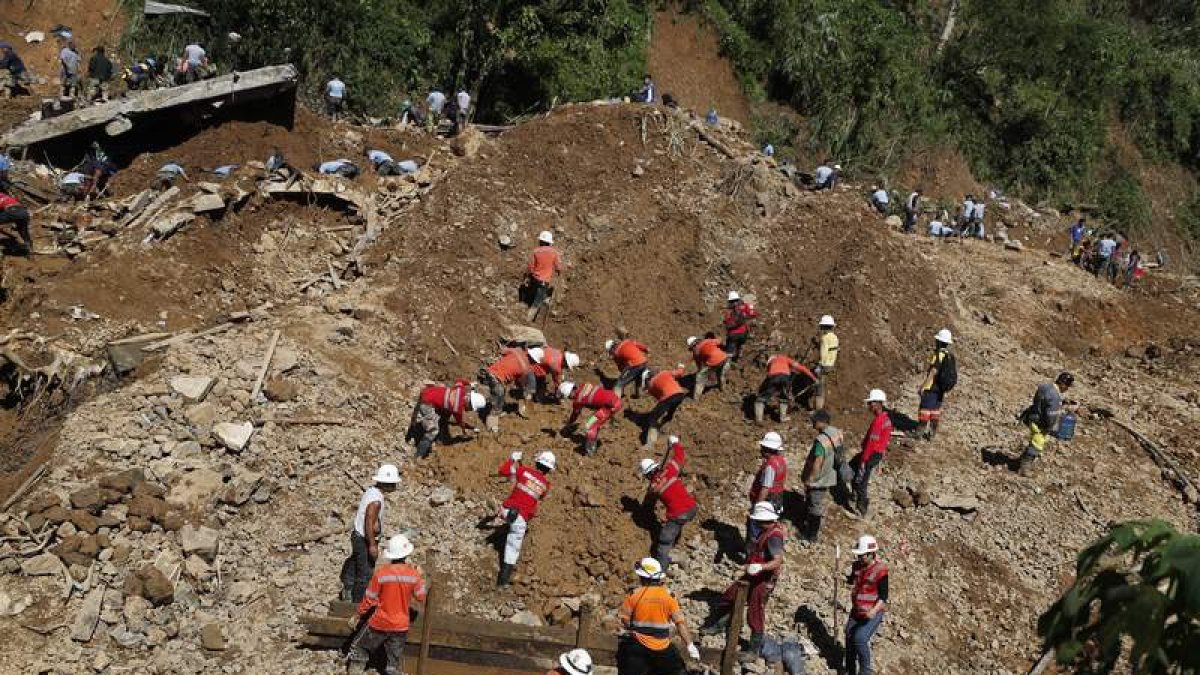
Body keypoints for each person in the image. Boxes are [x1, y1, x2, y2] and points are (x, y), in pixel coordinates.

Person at [701, 501, 785, 656]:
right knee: (730, 596)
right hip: (754, 574)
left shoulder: (774, 536)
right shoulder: (765, 531)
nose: (757, 523)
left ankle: (753, 650)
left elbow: (777, 561)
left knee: (755, 612)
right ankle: (719, 625)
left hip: (764, 579)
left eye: (759, 521)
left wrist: (761, 567)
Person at [347, 534, 425, 675]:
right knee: (393, 664)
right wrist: (420, 576)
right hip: (400, 626)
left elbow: (369, 599)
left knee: (359, 648)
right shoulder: (414, 575)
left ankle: (355, 671)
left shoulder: (381, 574)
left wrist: (358, 614)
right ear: (406, 554)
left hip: (380, 622)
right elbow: (420, 596)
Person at [618, 558, 699, 674]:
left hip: (638, 648)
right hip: (662, 648)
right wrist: (690, 645)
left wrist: (634, 629)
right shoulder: (669, 596)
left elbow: (624, 619)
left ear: (642, 576)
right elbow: (680, 623)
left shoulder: (634, 595)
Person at [340, 464, 400, 602]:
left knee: (357, 563)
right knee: (365, 573)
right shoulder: (376, 501)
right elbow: (369, 521)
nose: (395, 486)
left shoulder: (372, 492)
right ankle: (357, 603)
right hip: (364, 539)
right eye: (393, 484)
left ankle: (348, 589)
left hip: (359, 536)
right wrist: (372, 544)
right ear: (386, 484)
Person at [494, 450, 555, 586]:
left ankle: (498, 515)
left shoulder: (523, 470)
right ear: (549, 469)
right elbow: (537, 491)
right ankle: (502, 582)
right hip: (521, 518)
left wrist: (512, 459)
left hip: (507, 510)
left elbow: (504, 472)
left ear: (537, 461)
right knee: (512, 549)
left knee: (506, 517)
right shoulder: (546, 485)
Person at [639, 436, 697, 568]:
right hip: (692, 508)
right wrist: (675, 443)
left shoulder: (654, 487)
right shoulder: (670, 470)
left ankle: (661, 570)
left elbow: (651, 497)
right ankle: (675, 549)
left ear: (647, 475)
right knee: (675, 526)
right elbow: (680, 456)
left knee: (663, 541)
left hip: (678, 514)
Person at [408, 379, 486, 458]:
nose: (469, 410)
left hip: (428, 391)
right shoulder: (457, 408)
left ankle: (438, 422)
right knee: (433, 431)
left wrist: (469, 383)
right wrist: (465, 431)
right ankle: (419, 455)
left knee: (447, 410)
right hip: (426, 403)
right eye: (470, 408)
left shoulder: (460, 389)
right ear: (469, 403)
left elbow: (459, 380)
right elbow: (460, 422)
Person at [844, 535, 888, 675]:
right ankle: (850, 671)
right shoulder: (856, 566)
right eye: (859, 555)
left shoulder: (881, 571)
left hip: (872, 612)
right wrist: (841, 578)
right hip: (857, 610)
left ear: (871, 554)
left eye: (863, 555)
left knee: (860, 638)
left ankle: (865, 671)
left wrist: (874, 611)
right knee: (849, 636)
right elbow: (851, 580)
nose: (860, 558)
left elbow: (883, 596)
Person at [800, 410, 844, 543]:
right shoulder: (836, 432)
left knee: (815, 505)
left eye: (814, 420)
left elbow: (818, 461)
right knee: (815, 503)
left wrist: (811, 479)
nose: (812, 422)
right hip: (830, 473)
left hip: (820, 478)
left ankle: (811, 535)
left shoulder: (821, 441)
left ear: (821, 422)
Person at [1018, 372, 1073, 476]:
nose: (1067, 389)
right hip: (1040, 423)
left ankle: (1024, 461)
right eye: (1067, 387)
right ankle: (1024, 469)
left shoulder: (1045, 387)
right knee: (1037, 444)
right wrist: (1051, 428)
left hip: (1032, 416)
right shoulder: (1054, 397)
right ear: (1063, 384)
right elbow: (1051, 416)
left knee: (1034, 441)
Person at [478, 346, 537, 432]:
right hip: (495, 377)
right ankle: (492, 426)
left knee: (501, 392)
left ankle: (499, 410)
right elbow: (521, 383)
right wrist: (526, 394)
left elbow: (503, 350)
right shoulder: (525, 368)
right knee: (498, 395)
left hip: (492, 371)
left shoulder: (518, 351)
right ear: (533, 360)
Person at [854, 389, 892, 517]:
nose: (869, 406)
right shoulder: (885, 419)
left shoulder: (878, 422)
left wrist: (864, 460)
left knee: (861, 480)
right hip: (877, 453)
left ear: (877, 404)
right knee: (859, 474)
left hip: (871, 454)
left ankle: (861, 507)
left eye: (870, 403)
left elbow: (871, 442)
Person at [747, 432, 786, 551]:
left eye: (762, 447)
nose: (760, 449)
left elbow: (766, 487)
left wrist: (757, 506)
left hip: (768, 499)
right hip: (777, 497)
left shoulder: (770, 465)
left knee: (756, 527)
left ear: (767, 449)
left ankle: (754, 554)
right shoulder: (781, 460)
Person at [560, 380, 623, 455]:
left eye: (569, 396)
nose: (570, 398)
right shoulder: (584, 385)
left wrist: (569, 424)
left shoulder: (578, 400)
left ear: (570, 392)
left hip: (610, 406)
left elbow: (575, 414)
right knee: (592, 421)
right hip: (614, 399)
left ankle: (590, 451)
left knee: (589, 426)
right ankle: (594, 437)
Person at [916, 329, 956, 441]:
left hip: (932, 387)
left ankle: (919, 432)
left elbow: (933, 371)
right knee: (935, 410)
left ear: (938, 341)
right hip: (941, 388)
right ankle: (932, 433)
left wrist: (923, 386)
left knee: (924, 409)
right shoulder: (949, 356)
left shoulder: (938, 355)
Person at [755, 352, 812, 424]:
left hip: (773, 376)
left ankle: (759, 419)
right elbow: (802, 368)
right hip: (785, 377)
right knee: (784, 398)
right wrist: (814, 378)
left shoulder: (771, 361)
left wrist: (763, 390)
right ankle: (783, 418)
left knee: (761, 398)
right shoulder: (786, 359)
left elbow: (769, 374)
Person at [640, 365, 687, 449]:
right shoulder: (665, 373)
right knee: (669, 414)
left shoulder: (651, 385)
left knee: (652, 418)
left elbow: (658, 397)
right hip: (680, 395)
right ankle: (665, 425)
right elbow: (679, 373)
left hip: (668, 398)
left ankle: (650, 444)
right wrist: (681, 367)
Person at [525, 230, 563, 321]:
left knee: (533, 293)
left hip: (534, 279)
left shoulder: (536, 251)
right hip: (544, 282)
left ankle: (528, 305)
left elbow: (530, 267)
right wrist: (559, 271)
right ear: (549, 242)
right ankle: (528, 319)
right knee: (537, 302)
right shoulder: (554, 253)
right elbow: (559, 267)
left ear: (541, 241)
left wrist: (529, 276)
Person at [686, 333, 728, 398]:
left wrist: (704, 373)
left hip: (714, 361)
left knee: (699, 377)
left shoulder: (696, 352)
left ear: (692, 346)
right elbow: (720, 341)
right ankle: (723, 389)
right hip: (724, 358)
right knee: (721, 375)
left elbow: (700, 365)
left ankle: (696, 397)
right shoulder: (707, 340)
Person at [722, 291, 759, 361]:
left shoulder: (729, 311)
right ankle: (737, 358)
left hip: (733, 334)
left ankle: (728, 361)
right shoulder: (745, 306)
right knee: (739, 344)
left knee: (730, 347)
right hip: (743, 333)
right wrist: (745, 317)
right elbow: (753, 314)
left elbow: (727, 323)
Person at [813, 314, 839, 410]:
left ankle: (818, 409)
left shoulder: (824, 338)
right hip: (831, 364)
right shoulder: (835, 337)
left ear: (823, 326)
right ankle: (820, 407)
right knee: (823, 385)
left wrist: (819, 366)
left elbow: (823, 354)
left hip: (824, 365)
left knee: (819, 387)